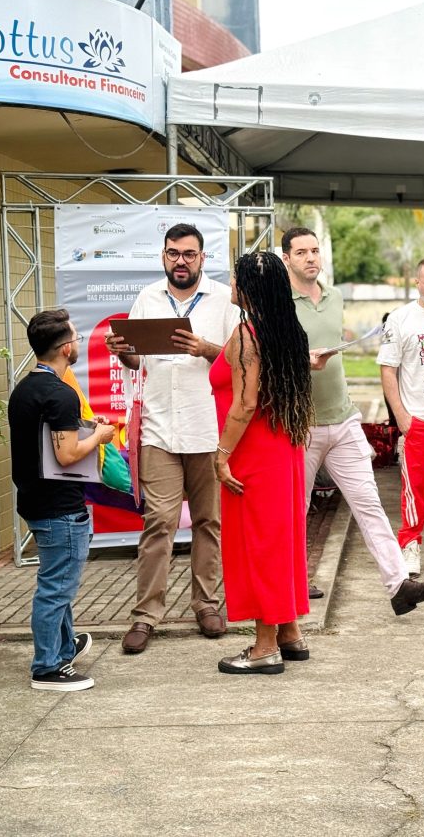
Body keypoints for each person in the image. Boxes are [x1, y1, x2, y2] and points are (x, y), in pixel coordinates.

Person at [281, 226, 424, 615]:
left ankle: (399, 585)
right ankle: (290, 585)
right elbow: (268, 356)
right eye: (301, 252)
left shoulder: (335, 297)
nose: (310, 258)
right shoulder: (279, 302)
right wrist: (302, 361)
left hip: (343, 419)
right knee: (295, 509)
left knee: (369, 503)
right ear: (286, 259)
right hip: (302, 423)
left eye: (315, 250)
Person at [104, 223, 241, 655]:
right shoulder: (147, 299)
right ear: (164, 256)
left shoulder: (224, 300)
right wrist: (123, 351)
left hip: (209, 430)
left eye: (188, 254)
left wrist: (205, 348)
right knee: (159, 522)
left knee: (208, 522)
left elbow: (242, 359)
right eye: (173, 253)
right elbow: (136, 360)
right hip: (160, 429)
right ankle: (146, 615)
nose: (180, 261)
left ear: (202, 258)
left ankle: (207, 604)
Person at [210, 252, 314, 675]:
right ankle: (289, 633)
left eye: (235, 278)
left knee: (259, 546)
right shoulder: (287, 330)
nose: (230, 285)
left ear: (248, 288)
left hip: (252, 453)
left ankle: (264, 647)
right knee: (280, 541)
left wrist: (221, 455)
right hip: (283, 449)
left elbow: (245, 403)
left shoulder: (246, 334)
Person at [9, 310, 116, 691]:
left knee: (58, 582)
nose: (78, 344)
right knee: (56, 589)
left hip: (36, 501)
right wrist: (99, 436)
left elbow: (47, 443)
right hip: (60, 508)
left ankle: (65, 646)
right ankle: (47, 666)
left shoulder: (24, 390)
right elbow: (67, 454)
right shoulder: (61, 393)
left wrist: (86, 429)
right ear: (66, 348)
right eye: (76, 338)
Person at [377, 257, 424, 577]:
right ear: (418, 284)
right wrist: (401, 416)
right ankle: (410, 546)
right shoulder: (400, 318)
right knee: (414, 491)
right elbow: (388, 370)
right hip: (418, 421)